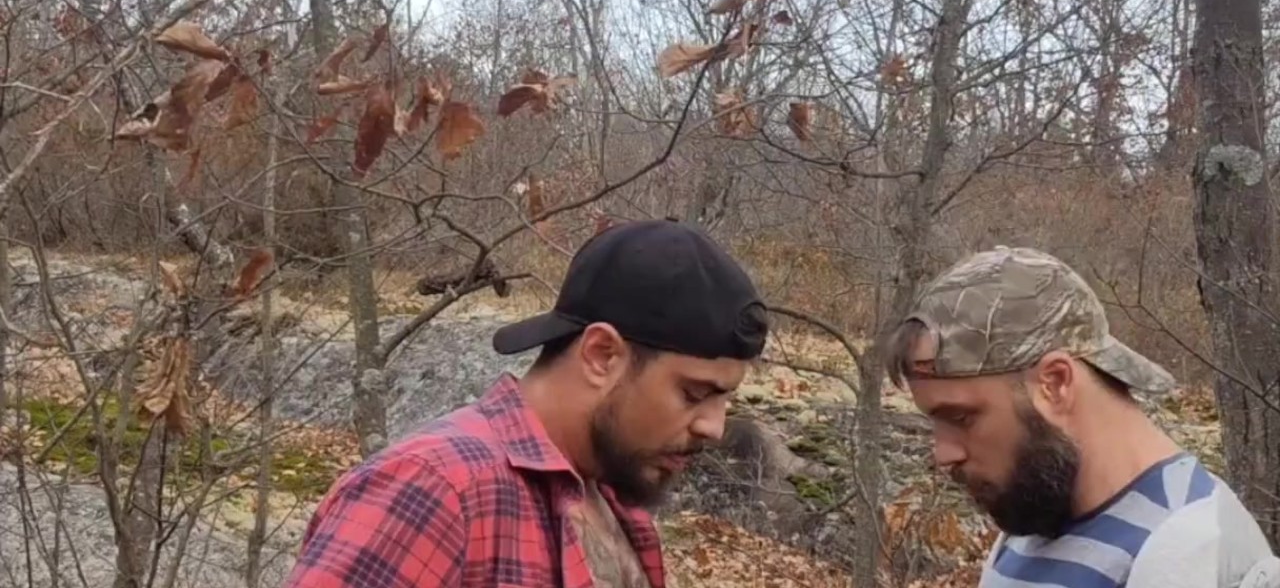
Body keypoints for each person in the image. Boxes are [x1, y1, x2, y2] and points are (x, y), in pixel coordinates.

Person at [283, 218, 769, 588]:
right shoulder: (434, 491)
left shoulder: (617, 500)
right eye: (694, 394)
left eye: (725, 399)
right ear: (602, 355)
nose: (714, 427)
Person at [883, 245, 1277, 588]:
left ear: (1055, 383)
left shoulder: (1190, 551)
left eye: (961, 418)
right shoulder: (1034, 511)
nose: (943, 454)